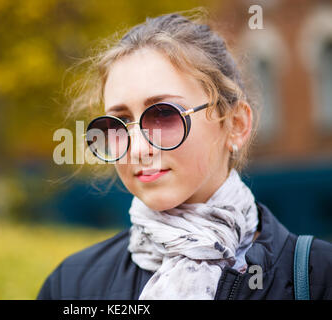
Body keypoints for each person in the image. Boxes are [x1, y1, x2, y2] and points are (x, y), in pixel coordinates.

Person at [37, 12, 332, 300]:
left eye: (164, 115)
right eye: (118, 125)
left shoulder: (318, 276)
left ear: (236, 124)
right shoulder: (72, 283)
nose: (138, 149)